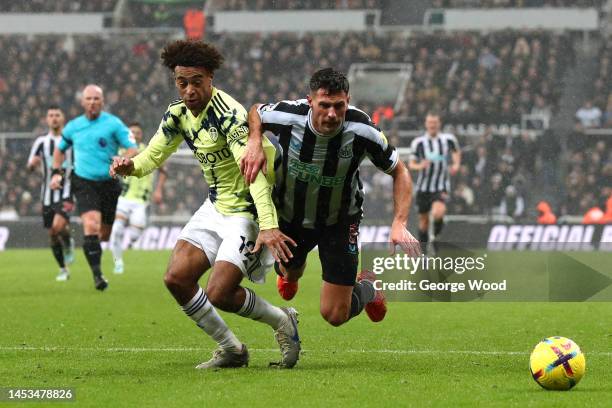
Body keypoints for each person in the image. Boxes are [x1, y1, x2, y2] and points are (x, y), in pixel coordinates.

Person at [110, 40, 300, 369]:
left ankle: (283, 321)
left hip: (248, 212)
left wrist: (268, 225)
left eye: (196, 82)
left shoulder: (230, 116)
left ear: (210, 78)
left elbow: (254, 173)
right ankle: (232, 349)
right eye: (181, 83)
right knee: (176, 278)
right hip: (213, 207)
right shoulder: (178, 115)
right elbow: (154, 154)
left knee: (220, 293)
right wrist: (132, 166)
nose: (189, 90)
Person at [241, 68, 419, 327]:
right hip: (291, 215)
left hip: (339, 220)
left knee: (335, 314)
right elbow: (256, 110)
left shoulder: (363, 129)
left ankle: (369, 286)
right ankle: (289, 274)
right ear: (310, 101)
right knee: (290, 272)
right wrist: (255, 139)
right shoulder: (289, 115)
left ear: (348, 101)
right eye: (324, 105)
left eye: (339, 106)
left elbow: (399, 171)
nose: (332, 114)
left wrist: (399, 222)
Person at [50, 85, 138, 291]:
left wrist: (124, 159)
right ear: (82, 102)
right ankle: (98, 276)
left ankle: (93, 253)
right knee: (91, 225)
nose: (92, 102)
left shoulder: (114, 124)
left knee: (104, 235)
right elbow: (59, 150)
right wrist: (57, 173)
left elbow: (133, 148)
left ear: (103, 101)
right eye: (88, 99)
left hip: (109, 185)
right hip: (83, 182)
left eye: (96, 99)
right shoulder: (73, 127)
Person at [109, 122, 167, 274]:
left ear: (141, 135)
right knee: (116, 230)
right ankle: (118, 262)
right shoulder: (122, 151)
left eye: (137, 132)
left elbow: (163, 171)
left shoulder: (148, 151)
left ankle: (127, 245)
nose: (134, 135)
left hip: (141, 200)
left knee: (135, 232)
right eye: (131, 132)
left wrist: (158, 190)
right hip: (124, 197)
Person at [27, 106, 75, 282]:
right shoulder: (41, 142)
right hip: (47, 195)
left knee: (57, 227)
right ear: (46, 120)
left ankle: (68, 244)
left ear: (63, 119)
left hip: (68, 192)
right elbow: (29, 167)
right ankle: (63, 269)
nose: (54, 118)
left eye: (57, 115)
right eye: (51, 115)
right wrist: (33, 164)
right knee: (53, 234)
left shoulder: (71, 141)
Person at [408, 112, 461, 255]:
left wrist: (456, 165)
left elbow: (456, 152)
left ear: (439, 124)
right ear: (426, 124)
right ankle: (424, 253)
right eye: (430, 123)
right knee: (423, 222)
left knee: (439, 212)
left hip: (441, 186)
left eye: (435, 123)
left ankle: (436, 237)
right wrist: (421, 165)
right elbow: (411, 164)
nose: (432, 125)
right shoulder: (418, 143)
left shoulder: (448, 139)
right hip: (423, 188)